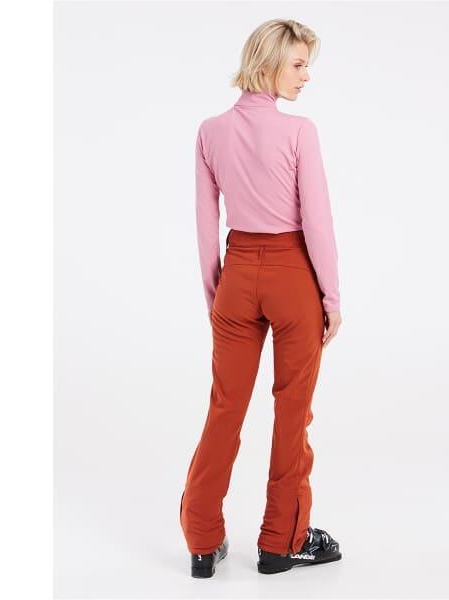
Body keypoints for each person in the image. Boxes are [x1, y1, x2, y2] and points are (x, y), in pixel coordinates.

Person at [179, 18, 343, 578]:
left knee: (225, 406)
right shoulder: (299, 132)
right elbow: (317, 221)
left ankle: (202, 538)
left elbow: (205, 223)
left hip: (236, 274)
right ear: (268, 63)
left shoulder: (210, 131)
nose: (305, 76)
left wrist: (216, 294)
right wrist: (332, 297)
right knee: (292, 411)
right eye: (297, 64)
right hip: (292, 274)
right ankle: (281, 542)